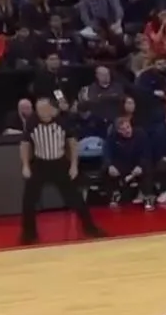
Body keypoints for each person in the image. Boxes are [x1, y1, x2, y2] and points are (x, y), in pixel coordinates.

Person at [18, 98, 104, 245]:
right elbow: (25, 144)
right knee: (28, 200)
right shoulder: (32, 122)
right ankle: (29, 234)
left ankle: (90, 228)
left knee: (76, 198)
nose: (40, 112)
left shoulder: (62, 121)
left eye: (43, 109)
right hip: (40, 163)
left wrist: (74, 165)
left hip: (59, 163)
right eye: (38, 109)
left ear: (51, 109)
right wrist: (25, 165)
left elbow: (72, 143)